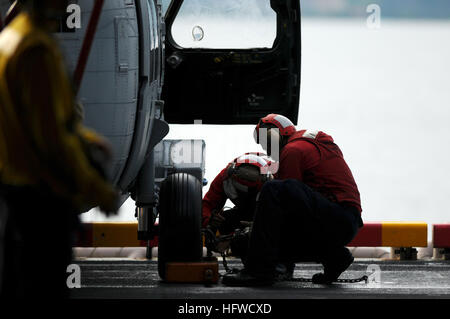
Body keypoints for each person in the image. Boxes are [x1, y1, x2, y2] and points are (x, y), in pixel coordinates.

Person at [0, 0, 119, 298]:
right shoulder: (37, 50)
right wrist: (98, 189)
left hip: (16, 193)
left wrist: (85, 139)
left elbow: (37, 119)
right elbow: (53, 141)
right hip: (44, 200)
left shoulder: (10, 39)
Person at [222, 114, 363, 286]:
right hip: (343, 222)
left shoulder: (292, 151)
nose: (268, 150)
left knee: (273, 189)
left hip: (336, 217)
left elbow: (284, 207)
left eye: (268, 143)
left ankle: (258, 271)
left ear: (275, 136)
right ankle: (334, 256)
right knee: (244, 243)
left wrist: (255, 227)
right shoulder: (312, 143)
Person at [202, 153, 275, 258]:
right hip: (246, 212)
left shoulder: (277, 178)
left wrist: (261, 226)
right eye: (241, 192)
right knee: (222, 220)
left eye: (251, 193)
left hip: (266, 213)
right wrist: (209, 220)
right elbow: (207, 205)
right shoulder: (224, 177)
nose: (246, 196)